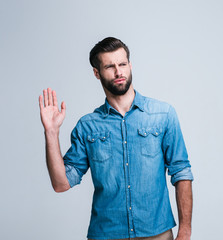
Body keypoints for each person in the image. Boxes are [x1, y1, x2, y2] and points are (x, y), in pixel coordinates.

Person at [38, 37, 194, 240]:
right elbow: (61, 184)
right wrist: (51, 133)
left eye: (122, 64)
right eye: (110, 66)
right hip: (106, 235)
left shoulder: (163, 115)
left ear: (130, 65)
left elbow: (181, 171)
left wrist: (185, 232)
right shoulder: (87, 126)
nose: (119, 72)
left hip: (157, 233)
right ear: (97, 73)